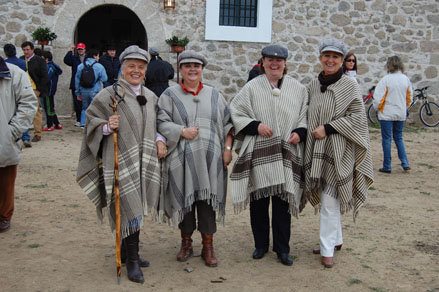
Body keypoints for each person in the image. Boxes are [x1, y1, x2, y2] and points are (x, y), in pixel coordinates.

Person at [76, 45, 165, 284]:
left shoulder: (151, 96)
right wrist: (106, 126)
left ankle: (127, 252)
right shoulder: (108, 95)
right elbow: (90, 124)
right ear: (122, 68)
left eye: (140, 67)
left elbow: (158, 124)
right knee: (127, 203)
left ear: (146, 70)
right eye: (131, 66)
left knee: (135, 204)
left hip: (143, 160)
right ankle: (133, 261)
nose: (136, 71)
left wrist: (160, 139)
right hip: (119, 161)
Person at [229, 45, 308, 266]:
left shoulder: (298, 89)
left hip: (286, 152)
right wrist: (255, 125)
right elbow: (236, 111)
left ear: (285, 63)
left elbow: (304, 115)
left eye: (279, 60)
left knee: (283, 203)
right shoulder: (252, 87)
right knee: (259, 202)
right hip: (260, 152)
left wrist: (299, 133)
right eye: (269, 60)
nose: (274, 63)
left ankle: (283, 249)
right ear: (262, 62)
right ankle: (260, 245)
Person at [157, 50, 233, 267]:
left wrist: (227, 149)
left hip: (212, 159)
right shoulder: (169, 96)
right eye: (187, 65)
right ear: (180, 69)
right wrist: (181, 131)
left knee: (208, 203)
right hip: (181, 159)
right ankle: (186, 243)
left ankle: (208, 246)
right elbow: (161, 122)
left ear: (202, 69)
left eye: (196, 66)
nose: (192, 69)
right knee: (185, 202)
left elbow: (228, 124)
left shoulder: (215, 95)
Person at [304, 39, 374, 268]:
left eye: (335, 57)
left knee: (329, 201)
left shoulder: (349, 85)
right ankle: (336, 240)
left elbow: (358, 119)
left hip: (339, 151)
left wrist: (329, 128)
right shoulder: (313, 85)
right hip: (317, 151)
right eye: (326, 55)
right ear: (320, 58)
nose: (330, 60)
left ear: (343, 61)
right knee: (328, 197)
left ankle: (327, 249)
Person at [0, 57, 37, 232]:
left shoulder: (14, 74)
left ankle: (3, 216)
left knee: (5, 181)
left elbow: (28, 104)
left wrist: (12, 132)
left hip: (4, 138)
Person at [373, 56, 412, 173]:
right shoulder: (406, 79)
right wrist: (404, 108)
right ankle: (405, 162)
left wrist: (377, 109)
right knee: (399, 138)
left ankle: (387, 165)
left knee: (387, 139)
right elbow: (409, 98)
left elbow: (378, 98)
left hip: (387, 114)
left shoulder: (386, 79)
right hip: (400, 113)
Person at [4, 43, 32, 147]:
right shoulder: (22, 63)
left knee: (11, 117)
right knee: (23, 114)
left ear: (6, 53)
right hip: (21, 91)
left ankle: (12, 137)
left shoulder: (5, 63)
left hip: (9, 93)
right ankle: (26, 137)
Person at [21, 41, 49, 143]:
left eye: (27, 50)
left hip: (34, 89)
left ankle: (37, 133)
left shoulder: (39, 61)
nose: (26, 52)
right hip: (23, 89)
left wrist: (39, 90)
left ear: (32, 49)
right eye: (24, 50)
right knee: (23, 111)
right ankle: (24, 134)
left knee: (36, 111)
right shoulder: (21, 60)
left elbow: (44, 77)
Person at [74, 49, 107, 128]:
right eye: (98, 56)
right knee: (95, 107)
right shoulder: (99, 66)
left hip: (83, 90)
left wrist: (77, 93)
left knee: (84, 107)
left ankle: (83, 123)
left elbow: (77, 80)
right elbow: (104, 79)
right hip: (95, 89)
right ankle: (94, 123)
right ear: (95, 56)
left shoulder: (81, 66)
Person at [64, 43, 86, 127]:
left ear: (85, 49)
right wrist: (70, 50)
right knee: (77, 103)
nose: (80, 51)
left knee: (85, 102)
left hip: (85, 83)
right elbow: (66, 60)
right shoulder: (74, 58)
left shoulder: (88, 58)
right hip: (75, 84)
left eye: (82, 49)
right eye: (79, 49)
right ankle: (79, 119)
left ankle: (85, 119)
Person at [42, 51, 63, 131]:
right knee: (51, 107)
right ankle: (57, 123)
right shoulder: (53, 65)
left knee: (48, 108)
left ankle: (50, 125)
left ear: (46, 59)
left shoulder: (49, 67)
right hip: (51, 90)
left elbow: (46, 78)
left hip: (48, 90)